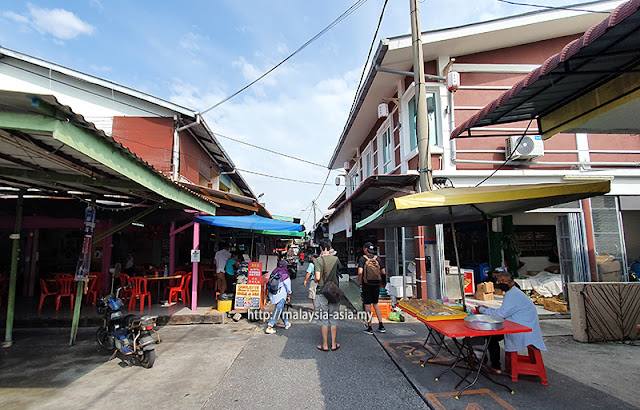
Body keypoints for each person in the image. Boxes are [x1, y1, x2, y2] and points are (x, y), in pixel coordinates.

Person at [475, 271, 546, 373]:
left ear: (512, 282)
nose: (500, 283)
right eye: (499, 281)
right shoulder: (513, 293)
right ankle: (483, 356)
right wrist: (487, 309)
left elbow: (501, 314)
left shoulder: (513, 295)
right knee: (490, 335)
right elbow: (505, 311)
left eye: (503, 281)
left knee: (491, 336)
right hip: (521, 326)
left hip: (522, 329)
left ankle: (495, 367)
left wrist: (482, 310)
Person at [314, 239, 341, 351]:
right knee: (333, 318)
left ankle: (325, 345)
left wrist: (315, 280)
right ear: (330, 248)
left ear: (320, 248)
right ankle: (334, 344)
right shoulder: (336, 259)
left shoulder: (318, 260)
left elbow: (317, 278)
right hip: (334, 292)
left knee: (324, 319)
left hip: (321, 292)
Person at [358, 242, 386, 335]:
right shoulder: (377, 258)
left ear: (366, 249)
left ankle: (369, 327)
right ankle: (381, 325)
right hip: (376, 284)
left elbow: (360, 272)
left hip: (367, 284)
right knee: (376, 304)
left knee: (367, 305)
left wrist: (361, 282)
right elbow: (383, 271)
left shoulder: (362, 259)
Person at [265, 261, 292, 334]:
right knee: (278, 310)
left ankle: (286, 323)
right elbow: (288, 289)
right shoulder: (285, 275)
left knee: (280, 308)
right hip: (281, 295)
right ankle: (270, 326)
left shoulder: (274, 272)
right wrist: (288, 296)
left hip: (273, 294)